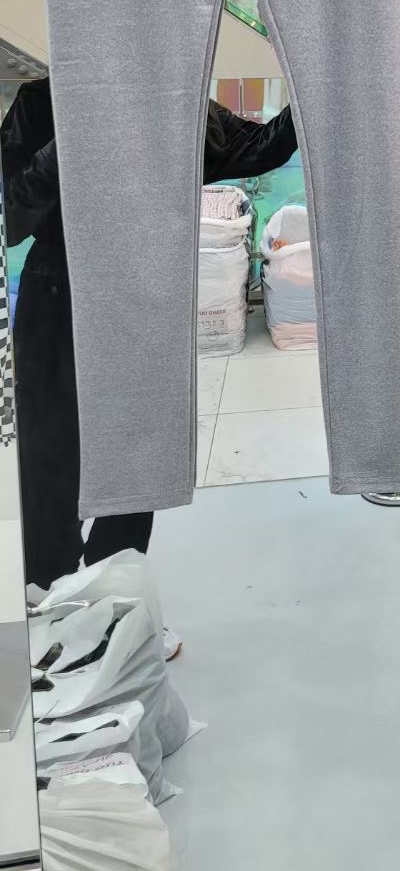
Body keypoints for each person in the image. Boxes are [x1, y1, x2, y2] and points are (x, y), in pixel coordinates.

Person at [1, 77, 297, 632]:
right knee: (51, 455)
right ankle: (51, 596)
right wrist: (71, 139)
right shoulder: (42, 101)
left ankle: (115, 605)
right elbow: (11, 220)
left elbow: (260, 147)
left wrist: (315, 82)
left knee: (139, 456)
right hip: (58, 297)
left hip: (142, 303)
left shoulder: (171, 95)